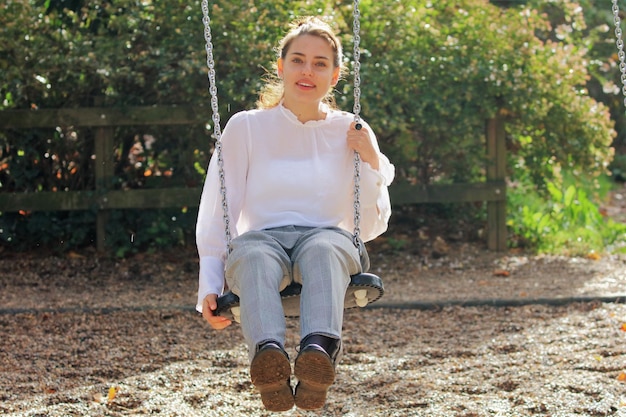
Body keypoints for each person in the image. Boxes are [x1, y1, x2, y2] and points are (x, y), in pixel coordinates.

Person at [196, 16, 394, 412]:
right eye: (299, 60)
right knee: (251, 253)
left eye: (320, 63)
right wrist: (210, 283)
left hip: (329, 242)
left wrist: (371, 156)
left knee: (322, 246)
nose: (308, 71)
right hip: (262, 240)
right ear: (282, 66)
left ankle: (318, 355)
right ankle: (267, 360)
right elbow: (219, 207)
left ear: (335, 75)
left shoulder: (350, 129)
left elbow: (371, 226)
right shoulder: (246, 128)